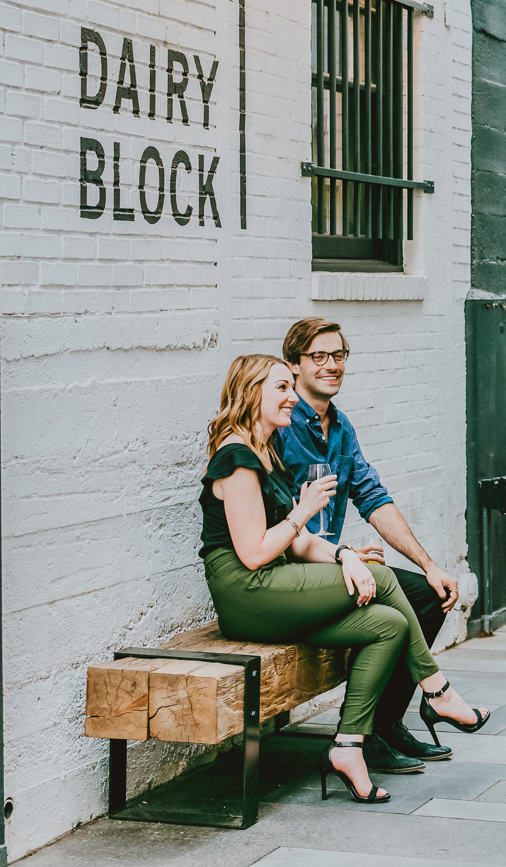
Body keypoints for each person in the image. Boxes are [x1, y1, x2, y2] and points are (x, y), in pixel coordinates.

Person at [198, 354, 490, 804]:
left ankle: (348, 747)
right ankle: (437, 689)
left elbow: (296, 544)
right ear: (250, 392)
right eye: (281, 388)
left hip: (276, 583)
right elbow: (255, 553)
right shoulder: (236, 458)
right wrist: (304, 510)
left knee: (387, 627)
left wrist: (342, 554)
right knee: (382, 578)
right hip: (248, 592)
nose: (292, 397)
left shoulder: (265, 450)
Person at [276, 318, 461, 774]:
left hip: (333, 563)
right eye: (317, 356)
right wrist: (342, 555)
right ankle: (365, 733)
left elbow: (373, 498)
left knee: (429, 594)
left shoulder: (340, 427)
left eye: (338, 356)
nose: (331, 365)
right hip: (291, 571)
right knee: (390, 613)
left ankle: (386, 725)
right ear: (294, 365)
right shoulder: (281, 425)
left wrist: (429, 564)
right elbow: (276, 517)